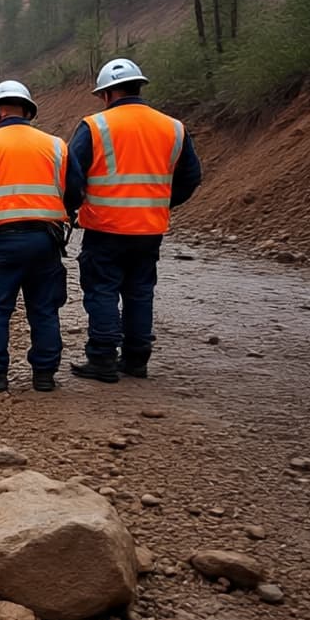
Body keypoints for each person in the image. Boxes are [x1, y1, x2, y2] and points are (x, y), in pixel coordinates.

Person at [67, 58, 203, 382]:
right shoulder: (173, 127)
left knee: (101, 289)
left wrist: (72, 207)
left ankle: (102, 358)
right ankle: (136, 359)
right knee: (140, 291)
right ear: (139, 87)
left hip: (105, 227)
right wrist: (160, 205)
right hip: (148, 230)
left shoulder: (95, 126)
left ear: (106, 94)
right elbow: (191, 177)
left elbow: (70, 175)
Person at [0, 80, 78, 393]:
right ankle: (45, 375)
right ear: (29, 112)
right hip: (46, 240)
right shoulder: (56, 146)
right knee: (44, 308)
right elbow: (75, 191)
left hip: (1, 240)